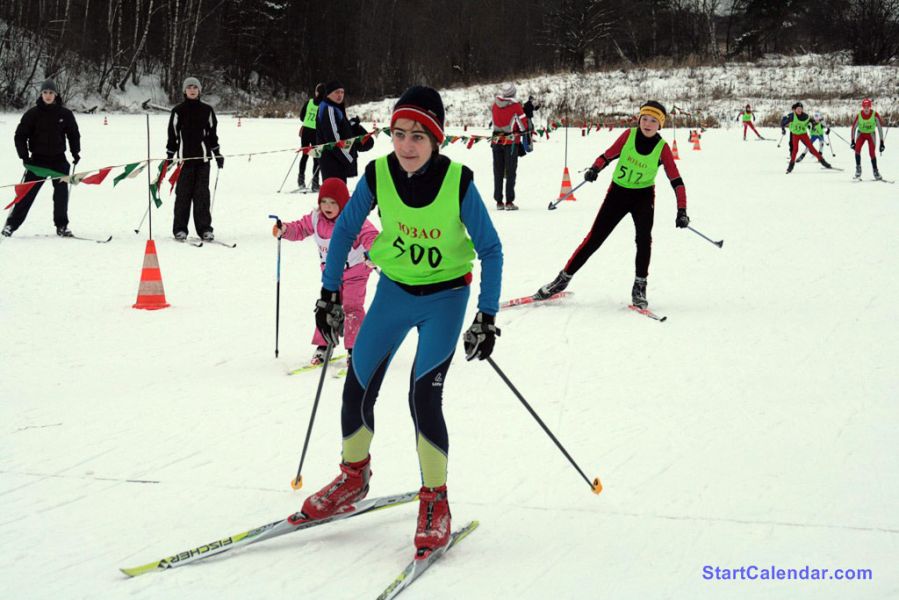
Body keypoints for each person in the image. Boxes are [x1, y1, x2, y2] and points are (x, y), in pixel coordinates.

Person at [300, 85, 503, 559]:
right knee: (357, 380)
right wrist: (329, 293)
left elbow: (490, 249)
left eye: (418, 135)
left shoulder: (459, 182)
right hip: (393, 292)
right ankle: (354, 476)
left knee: (422, 394)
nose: (407, 145)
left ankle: (436, 500)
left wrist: (486, 316)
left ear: (436, 139)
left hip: (445, 299)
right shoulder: (377, 175)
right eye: (398, 134)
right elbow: (346, 228)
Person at [534, 101, 688, 309]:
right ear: (639, 119)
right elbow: (608, 155)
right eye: (644, 118)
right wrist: (594, 169)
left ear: (660, 125)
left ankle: (639, 288)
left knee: (644, 241)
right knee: (594, 239)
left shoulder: (662, 148)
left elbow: (676, 180)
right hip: (618, 194)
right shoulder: (629, 136)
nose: (647, 124)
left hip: (643, 198)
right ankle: (561, 280)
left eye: (653, 120)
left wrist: (682, 210)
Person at [272, 177, 378, 365]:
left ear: (343, 203)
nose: (327, 207)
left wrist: (373, 252)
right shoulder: (315, 218)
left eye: (333, 203)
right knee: (327, 306)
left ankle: (355, 349)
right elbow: (300, 229)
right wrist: (285, 229)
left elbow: (371, 235)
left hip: (356, 272)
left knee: (352, 307)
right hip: (331, 275)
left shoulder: (354, 220)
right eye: (323, 202)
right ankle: (324, 345)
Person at [3, 80, 80, 238]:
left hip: (59, 160)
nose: (48, 95)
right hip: (37, 162)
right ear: (41, 94)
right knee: (26, 194)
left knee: (61, 195)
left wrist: (75, 152)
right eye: (45, 92)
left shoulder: (65, 114)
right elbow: (20, 136)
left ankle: (62, 226)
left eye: (51, 93)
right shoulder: (32, 114)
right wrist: (24, 156)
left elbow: (73, 134)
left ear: (56, 95)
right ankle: (11, 225)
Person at [166, 77, 223, 241]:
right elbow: (173, 135)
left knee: (202, 196)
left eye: (195, 87)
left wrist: (217, 153)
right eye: (189, 87)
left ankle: (205, 229)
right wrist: (170, 155)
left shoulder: (207, 110)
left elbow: (212, 135)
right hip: (184, 162)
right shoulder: (178, 111)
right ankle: (180, 229)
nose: (192, 90)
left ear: (199, 91)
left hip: (203, 161)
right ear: (184, 91)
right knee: (183, 195)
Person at [490, 83, 528, 210]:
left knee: (498, 171)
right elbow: (523, 127)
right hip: (511, 143)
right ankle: (509, 202)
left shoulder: (495, 104)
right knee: (510, 172)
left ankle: (499, 201)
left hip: (496, 141)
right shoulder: (516, 106)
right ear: (513, 93)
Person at [783, 102, 832, 174]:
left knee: (811, 148)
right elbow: (783, 121)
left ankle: (823, 162)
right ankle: (791, 166)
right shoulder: (791, 116)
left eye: (801, 109)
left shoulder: (805, 116)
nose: (799, 110)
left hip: (803, 134)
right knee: (795, 150)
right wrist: (783, 128)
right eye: (798, 109)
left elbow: (812, 121)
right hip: (795, 135)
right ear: (795, 109)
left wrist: (814, 124)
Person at [850, 98, 885, 180]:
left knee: (872, 153)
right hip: (861, 134)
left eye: (868, 107)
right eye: (864, 107)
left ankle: (875, 171)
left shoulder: (875, 115)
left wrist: (882, 142)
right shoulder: (859, 115)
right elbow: (853, 128)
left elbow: (879, 128)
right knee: (857, 150)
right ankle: (858, 169)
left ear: (870, 107)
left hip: (871, 135)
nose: (866, 109)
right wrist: (852, 141)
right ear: (862, 107)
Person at [298, 83, 324, 192]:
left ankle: (301, 181)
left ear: (317, 92)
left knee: (304, 155)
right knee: (316, 158)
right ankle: (315, 183)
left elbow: (301, 117)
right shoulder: (324, 105)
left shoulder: (309, 102)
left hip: (306, 132)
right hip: (316, 133)